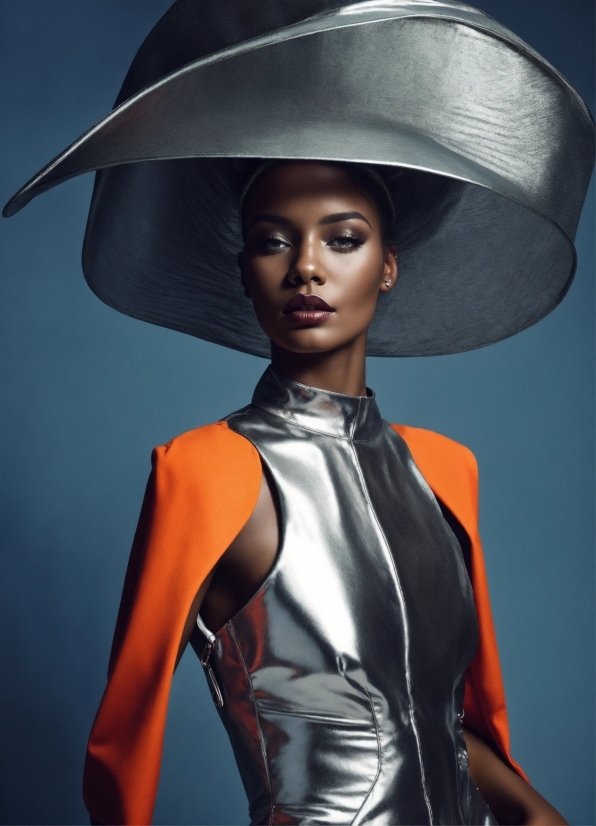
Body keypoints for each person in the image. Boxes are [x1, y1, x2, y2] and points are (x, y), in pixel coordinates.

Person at [3, 1, 593, 824]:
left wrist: (533, 812)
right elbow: (122, 738)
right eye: (274, 240)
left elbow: (456, 724)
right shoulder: (206, 470)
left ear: (388, 267)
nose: (307, 269)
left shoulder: (448, 469)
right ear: (242, 268)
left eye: (343, 239)